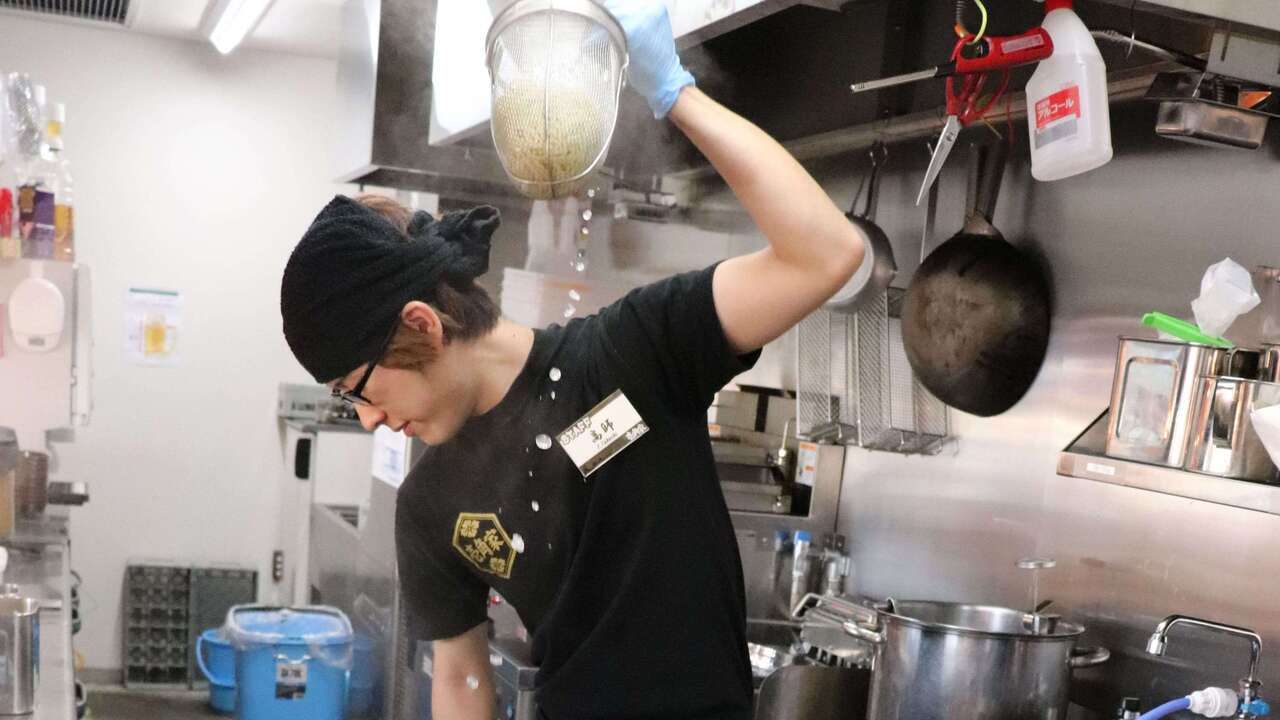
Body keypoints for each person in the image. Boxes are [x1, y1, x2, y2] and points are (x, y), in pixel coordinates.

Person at [280, 2, 866, 717]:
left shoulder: (636, 349)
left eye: (358, 389)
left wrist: (675, 94)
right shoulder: (428, 504)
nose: (369, 419)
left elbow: (827, 255)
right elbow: (461, 675)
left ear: (421, 326)